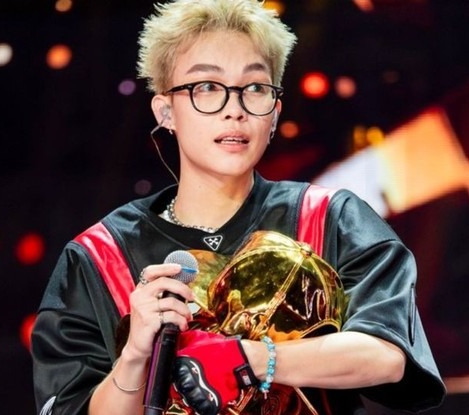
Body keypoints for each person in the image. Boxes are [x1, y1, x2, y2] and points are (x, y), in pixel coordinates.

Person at [31, 1, 446, 414]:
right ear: (165, 111)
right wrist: (136, 355)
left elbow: (388, 355)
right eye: (207, 87)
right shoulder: (100, 257)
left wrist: (248, 359)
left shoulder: (331, 219)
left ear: (274, 113)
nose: (235, 110)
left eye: (255, 88)